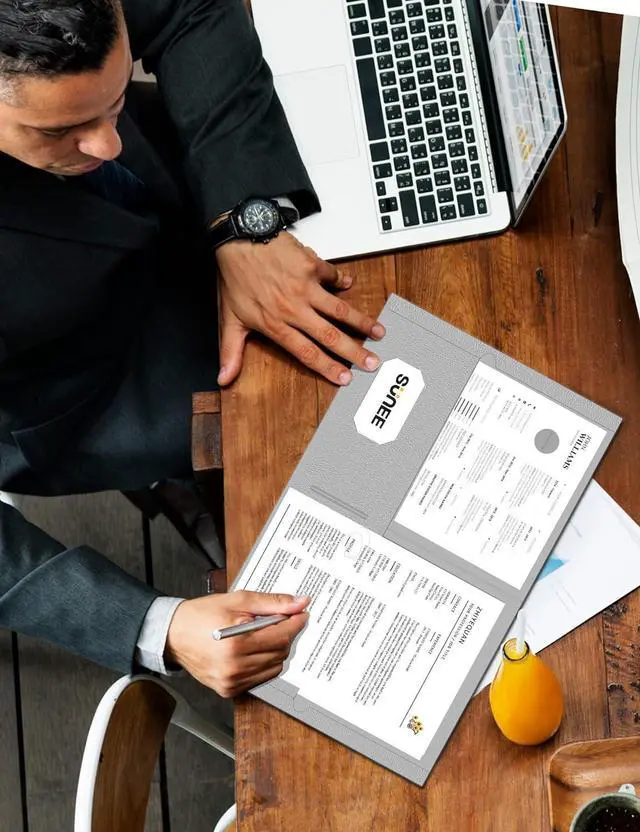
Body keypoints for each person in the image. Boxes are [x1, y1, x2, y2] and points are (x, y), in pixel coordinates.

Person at [0, 0, 387, 697]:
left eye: (113, 100)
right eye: (59, 130)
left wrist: (242, 221)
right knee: (320, 442)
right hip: (88, 386)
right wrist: (158, 625)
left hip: (183, 186)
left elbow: (189, 6)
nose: (107, 145)